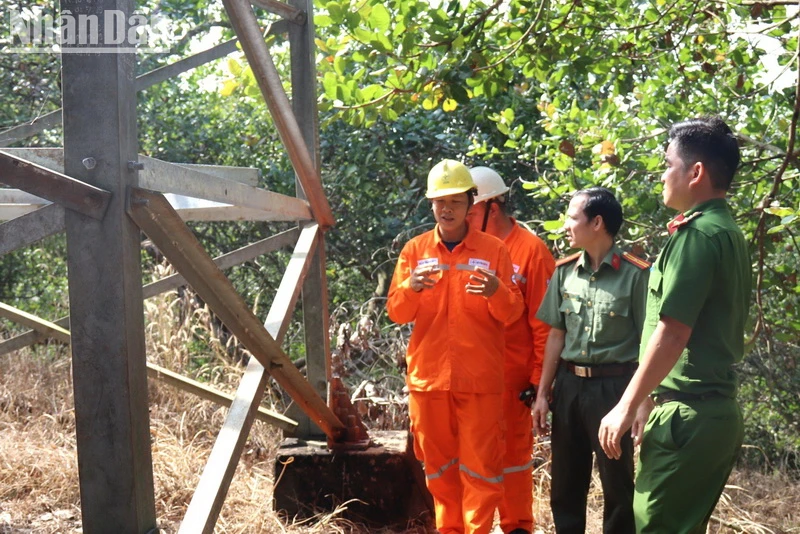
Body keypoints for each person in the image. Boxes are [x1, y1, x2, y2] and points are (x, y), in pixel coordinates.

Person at [599, 117, 751, 533]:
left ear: (696, 172)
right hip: (702, 413)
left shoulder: (699, 236)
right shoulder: (725, 230)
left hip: (689, 417)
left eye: (668, 163)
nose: (663, 175)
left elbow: (674, 331)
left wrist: (626, 406)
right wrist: (648, 399)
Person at [387, 159, 524, 534]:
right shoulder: (415, 251)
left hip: (479, 382)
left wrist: (497, 291)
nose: (446, 210)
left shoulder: (494, 250)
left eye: (456, 202)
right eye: (439, 201)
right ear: (431, 204)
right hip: (429, 383)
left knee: (482, 473)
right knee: (439, 473)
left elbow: (513, 313)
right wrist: (410, 287)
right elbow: (396, 313)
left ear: (470, 204)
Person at [532, 187, 649, 534]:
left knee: (618, 484)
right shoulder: (565, 272)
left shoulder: (637, 274)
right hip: (569, 386)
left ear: (597, 222)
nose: (565, 226)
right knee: (566, 482)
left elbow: (649, 341)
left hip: (615, 389)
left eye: (572, 217)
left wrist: (643, 400)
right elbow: (556, 335)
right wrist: (542, 392)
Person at [466, 166, 555, 534]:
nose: (464, 219)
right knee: (471, 461)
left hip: (511, 383)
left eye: (470, 211)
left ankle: (517, 527)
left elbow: (545, 325)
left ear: (493, 208)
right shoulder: (468, 249)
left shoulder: (531, 251)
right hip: (472, 380)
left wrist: (537, 384)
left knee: (513, 462)